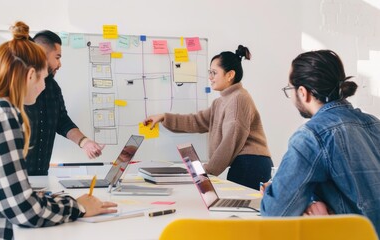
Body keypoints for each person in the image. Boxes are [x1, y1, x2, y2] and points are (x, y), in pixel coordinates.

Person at [0, 21, 117, 239]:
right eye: (43, 79)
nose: (43, 87)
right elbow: (23, 211)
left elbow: (10, 197)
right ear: (31, 76)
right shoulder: (1, 113)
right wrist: (78, 206)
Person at [260, 50, 380, 235]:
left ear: (302, 92)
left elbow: (276, 214)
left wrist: (301, 202)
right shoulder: (374, 124)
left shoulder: (311, 136)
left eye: (289, 89)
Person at [143, 45, 273, 190]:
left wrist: (206, 171)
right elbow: (196, 121)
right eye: (209, 72)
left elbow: (230, 140)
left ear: (230, 75)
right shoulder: (221, 102)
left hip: (252, 165)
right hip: (244, 164)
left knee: (242, 211)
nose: (210, 77)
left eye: (214, 73)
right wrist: (163, 117)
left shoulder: (238, 98)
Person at [25, 30, 104, 175]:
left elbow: (62, 120)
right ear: (41, 55)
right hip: (15, 178)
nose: (59, 64)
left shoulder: (53, 88)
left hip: (41, 175)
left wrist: (85, 142)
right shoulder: (16, 90)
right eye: (57, 57)